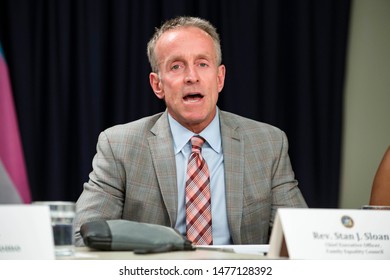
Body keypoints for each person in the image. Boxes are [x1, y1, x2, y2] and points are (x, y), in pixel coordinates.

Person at [74, 16, 307, 246]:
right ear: (157, 84)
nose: (191, 77)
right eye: (176, 66)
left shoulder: (268, 143)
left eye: (202, 64)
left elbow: (300, 239)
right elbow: (84, 237)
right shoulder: (119, 145)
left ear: (219, 78)